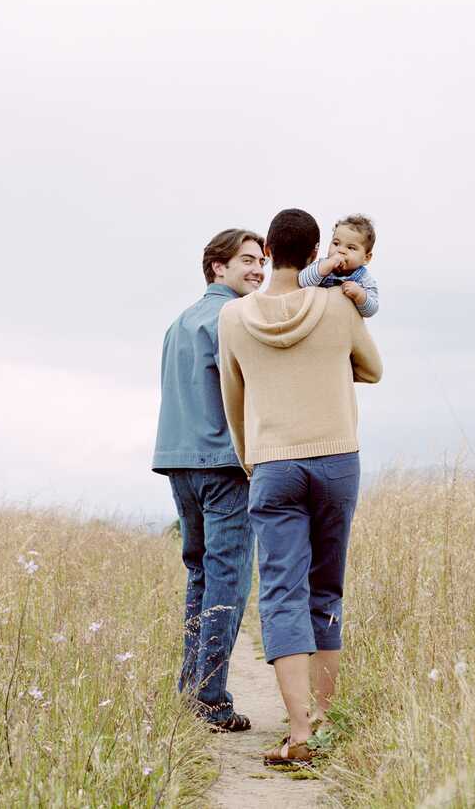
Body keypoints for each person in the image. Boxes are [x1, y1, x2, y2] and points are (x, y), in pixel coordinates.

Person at [216, 208, 383, 764]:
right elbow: (374, 369)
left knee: (281, 592)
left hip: (273, 464)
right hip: (337, 458)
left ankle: (299, 731)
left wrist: (250, 461)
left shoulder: (234, 319)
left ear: (268, 255)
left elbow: (233, 399)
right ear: (316, 255)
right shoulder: (339, 304)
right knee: (325, 589)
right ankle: (328, 720)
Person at [152, 227, 265, 732]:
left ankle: (189, 691)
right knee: (229, 579)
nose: (258, 269)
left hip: (177, 461)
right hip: (221, 462)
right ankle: (212, 700)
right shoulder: (233, 317)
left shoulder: (178, 323)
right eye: (246, 260)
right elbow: (247, 388)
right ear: (217, 267)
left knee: (200, 575)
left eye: (261, 260)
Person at [298, 214, 379, 317]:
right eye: (336, 244)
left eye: (351, 248)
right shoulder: (322, 266)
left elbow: (371, 311)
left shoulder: (364, 279)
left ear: (366, 258)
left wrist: (360, 295)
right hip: (318, 321)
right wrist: (325, 267)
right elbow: (302, 281)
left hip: (344, 326)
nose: (340, 250)